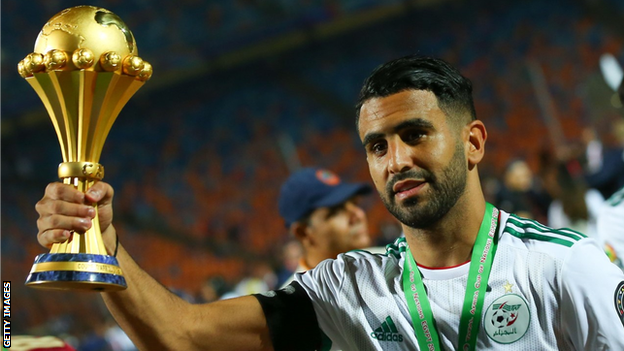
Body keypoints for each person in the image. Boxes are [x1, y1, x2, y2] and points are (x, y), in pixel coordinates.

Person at [35, 55, 624, 350]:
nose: (395, 161)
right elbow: (181, 335)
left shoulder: (565, 267)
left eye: (416, 134)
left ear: (473, 142)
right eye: (377, 146)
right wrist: (102, 243)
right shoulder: (346, 289)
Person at [277, 167, 380, 286]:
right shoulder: (292, 301)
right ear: (303, 232)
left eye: (354, 203)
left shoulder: (390, 261)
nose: (359, 215)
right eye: (336, 211)